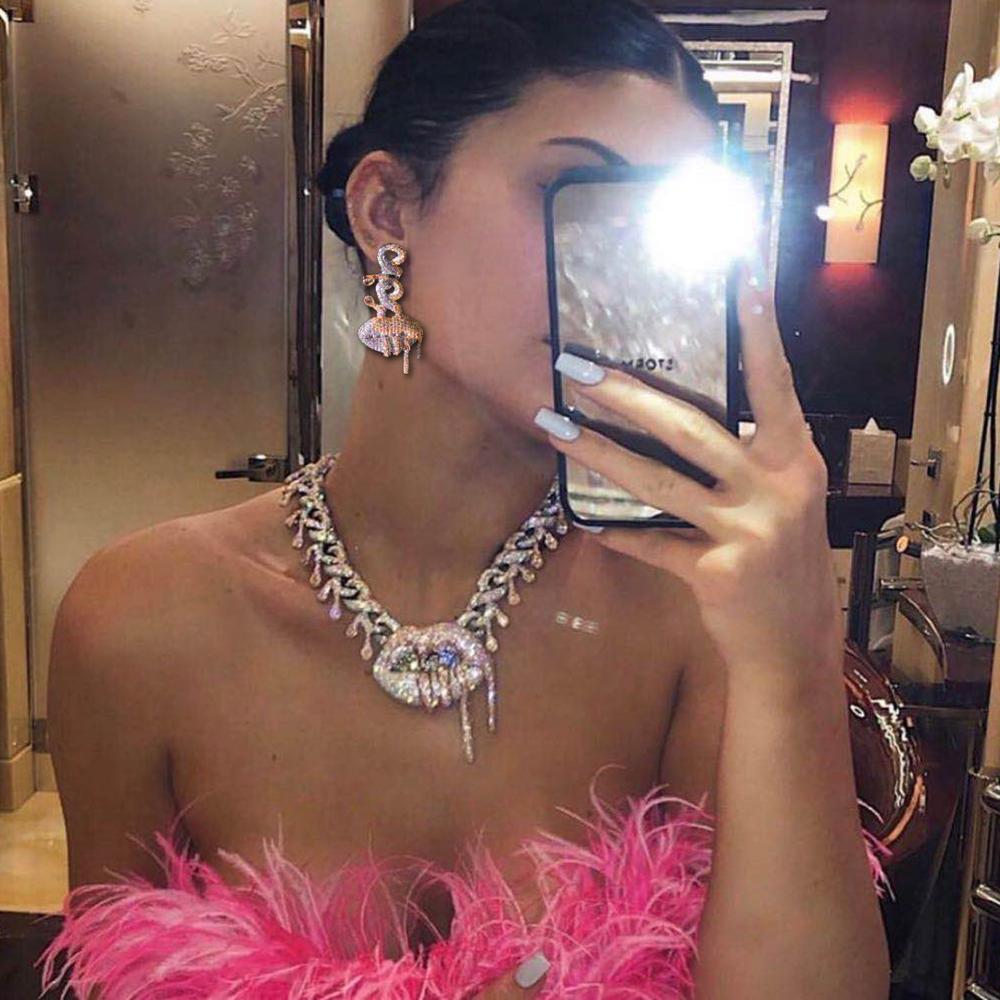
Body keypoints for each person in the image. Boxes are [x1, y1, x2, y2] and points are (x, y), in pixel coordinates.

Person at [45, 1, 890, 996]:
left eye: (656, 222)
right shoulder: (140, 621)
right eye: (576, 193)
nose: (616, 276)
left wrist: (794, 652)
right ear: (386, 213)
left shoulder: (692, 615)